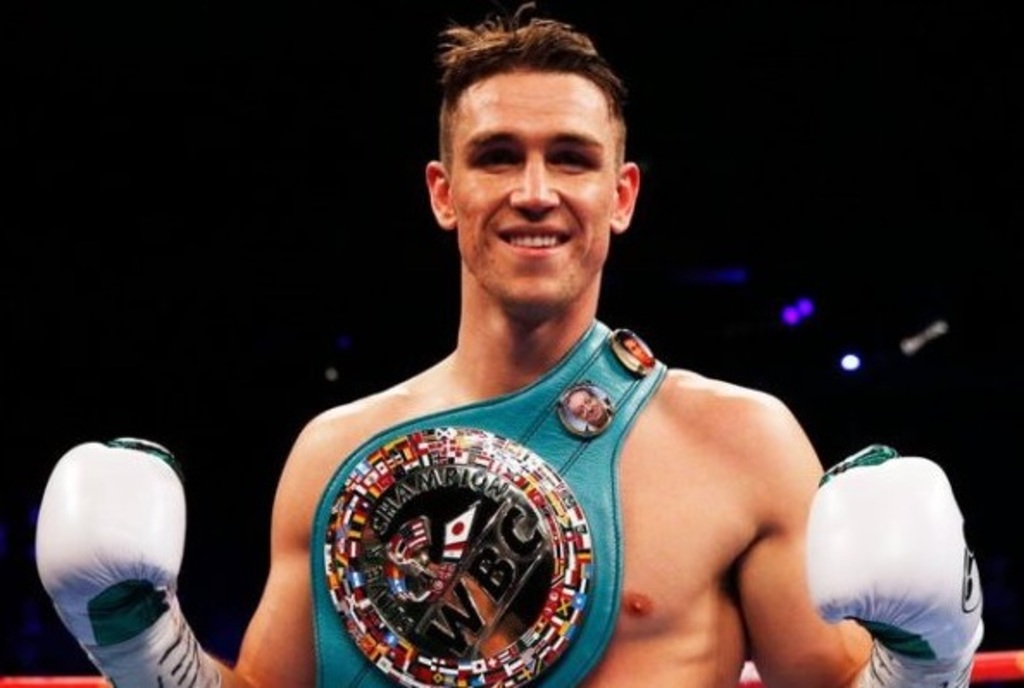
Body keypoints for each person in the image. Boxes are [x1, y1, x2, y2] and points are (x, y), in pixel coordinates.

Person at [35, 3, 984, 687]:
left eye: (571, 158)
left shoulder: (743, 443)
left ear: (621, 195)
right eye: (498, 158)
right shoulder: (334, 453)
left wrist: (931, 656)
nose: (535, 192)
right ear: (444, 194)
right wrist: (134, 637)